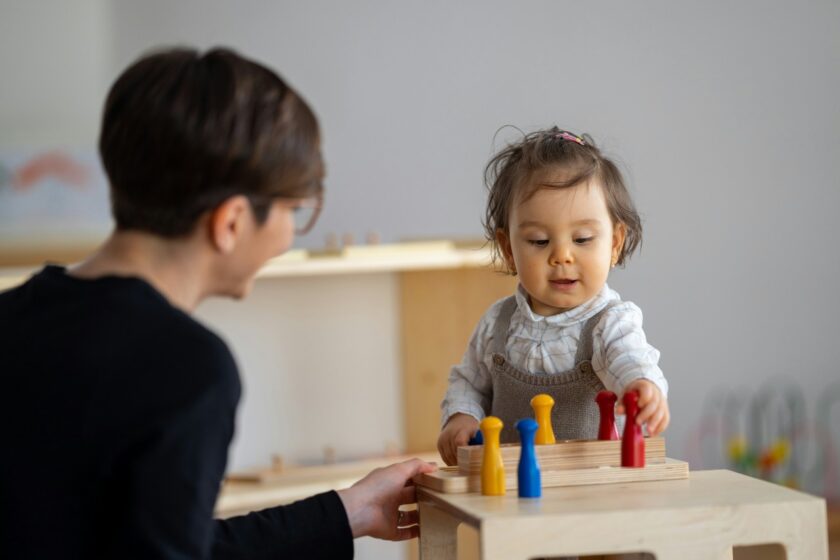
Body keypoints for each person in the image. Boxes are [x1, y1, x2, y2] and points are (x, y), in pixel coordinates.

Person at [0, 47, 435, 559]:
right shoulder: (185, 367)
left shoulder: (14, 317)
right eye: (293, 210)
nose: (289, 237)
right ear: (230, 222)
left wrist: (350, 511)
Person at [437, 128, 670, 465]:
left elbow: (628, 357)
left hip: (592, 483)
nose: (562, 256)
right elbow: (469, 383)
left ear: (615, 243)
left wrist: (641, 385)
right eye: (539, 241)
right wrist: (462, 416)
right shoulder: (497, 324)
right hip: (512, 484)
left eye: (583, 239)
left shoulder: (611, 322)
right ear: (508, 249)